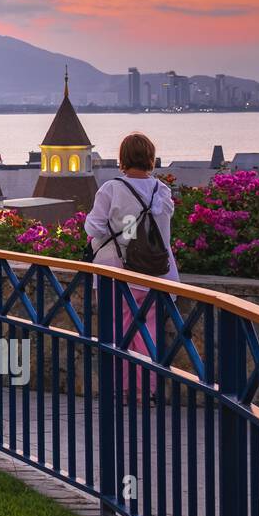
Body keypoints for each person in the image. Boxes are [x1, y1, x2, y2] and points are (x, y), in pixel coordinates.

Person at [84, 132, 178, 397]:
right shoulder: (163, 190)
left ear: (123, 158)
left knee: (119, 330)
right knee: (149, 331)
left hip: (118, 270)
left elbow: (94, 227)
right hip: (157, 272)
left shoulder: (112, 189)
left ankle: (122, 387)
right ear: (150, 158)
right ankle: (146, 389)